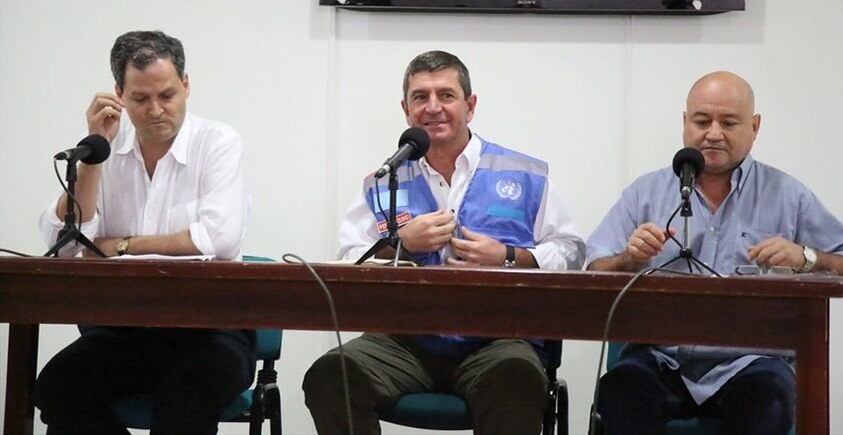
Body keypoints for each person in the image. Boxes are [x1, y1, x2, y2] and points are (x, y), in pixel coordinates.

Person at [303, 50, 585, 435]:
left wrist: (507, 257)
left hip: (496, 341)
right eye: (421, 97)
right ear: (406, 109)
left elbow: (571, 252)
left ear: (470, 106)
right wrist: (401, 243)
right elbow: (351, 258)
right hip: (403, 342)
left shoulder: (523, 173)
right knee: (331, 374)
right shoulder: (386, 179)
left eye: (446, 95)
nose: (433, 107)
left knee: (518, 377)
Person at [586, 71, 843, 434]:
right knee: (616, 395)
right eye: (702, 121)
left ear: (754, 127)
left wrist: (807, 257)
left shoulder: (787, 195)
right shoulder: (645, 193)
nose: (714, 133)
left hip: (751, 362)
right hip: (660, 360)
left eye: (729, 122)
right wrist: (629, 259)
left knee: (771, 399)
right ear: (685, 123)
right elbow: (594, 268)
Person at [35, 30, 253, 435]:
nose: (155, 109)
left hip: (209, 332)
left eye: (167, 95)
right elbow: (62, 245)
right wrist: (96, 153)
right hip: (122, 330)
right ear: (119, 93)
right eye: (140, 98)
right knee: (57, 388)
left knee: (184, 399)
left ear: (186, 86)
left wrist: (121, 246)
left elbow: (217, 238)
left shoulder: (218, 142)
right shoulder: (105, 152)